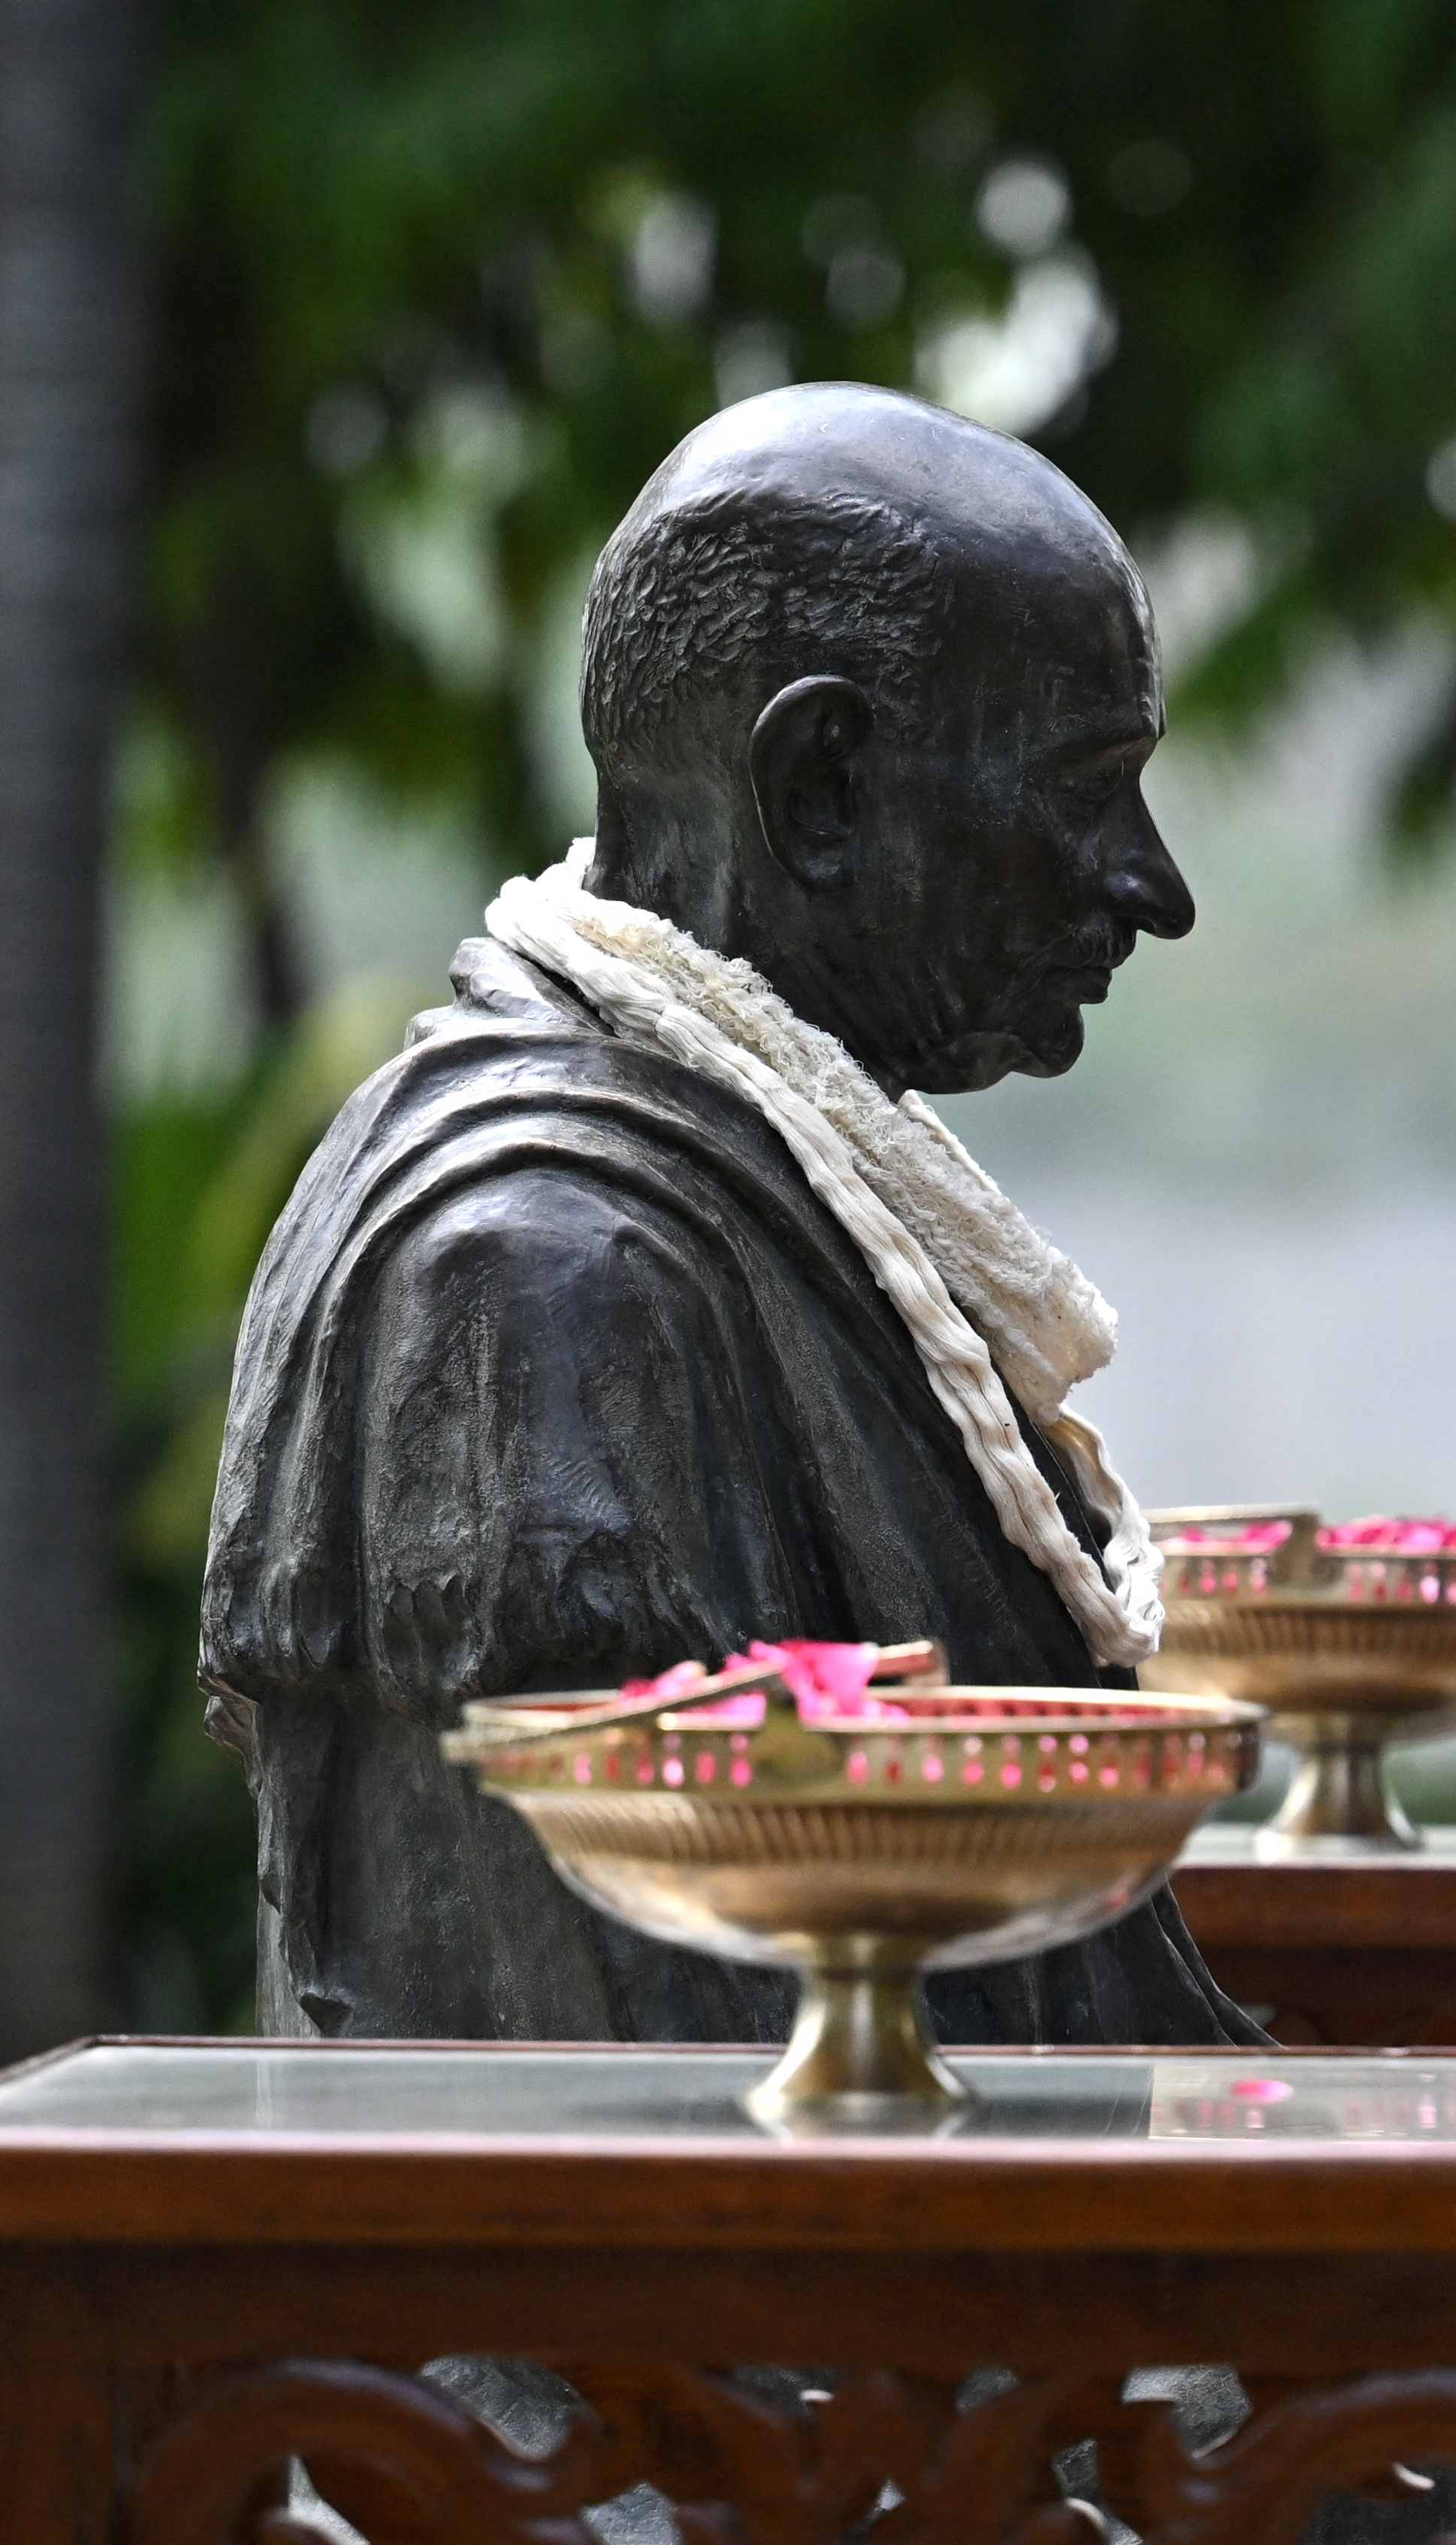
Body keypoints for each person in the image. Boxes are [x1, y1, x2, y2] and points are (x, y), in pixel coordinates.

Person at [202, 387, 1254, 2053]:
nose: (1149, 885)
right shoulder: (541, 1277)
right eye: (1085, 790)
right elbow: (659, 2160)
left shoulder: (760, 1198)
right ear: (820, 787)